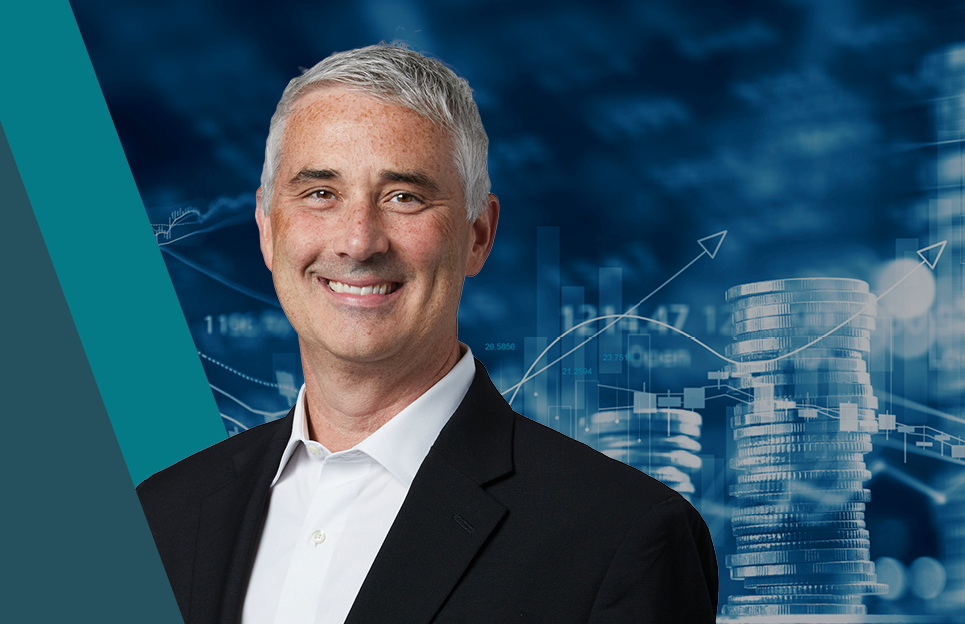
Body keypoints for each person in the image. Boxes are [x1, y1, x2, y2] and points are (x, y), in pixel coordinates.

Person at [137, 43, 718, 624]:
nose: (359, 241)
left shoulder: (622, 539)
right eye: (321, 194)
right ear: (267, 228)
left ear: (478, 235)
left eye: (404, 197)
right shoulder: (158, 517)